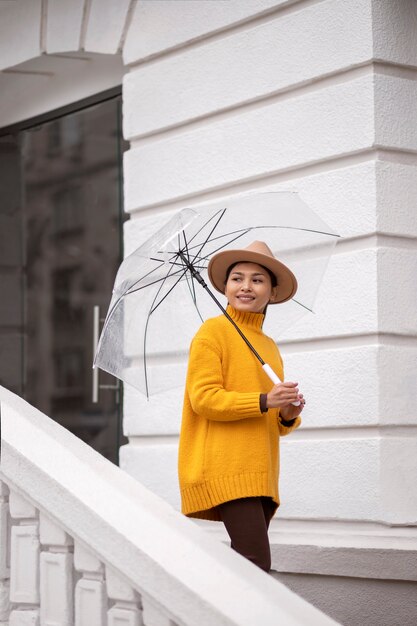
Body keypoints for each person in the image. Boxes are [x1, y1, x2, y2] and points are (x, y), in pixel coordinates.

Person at [178, 241, 305, 573]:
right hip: (228, 467)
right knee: (255, 564)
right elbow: (203, 399)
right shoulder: (212, 333)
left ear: (272, 292)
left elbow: (271, 419)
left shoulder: (268, 346)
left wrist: (287, 414)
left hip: (261, 470)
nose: (246, 286)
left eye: (257, 279)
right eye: (237, 278)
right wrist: (265, 400)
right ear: (225, 287)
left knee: (245, 569)